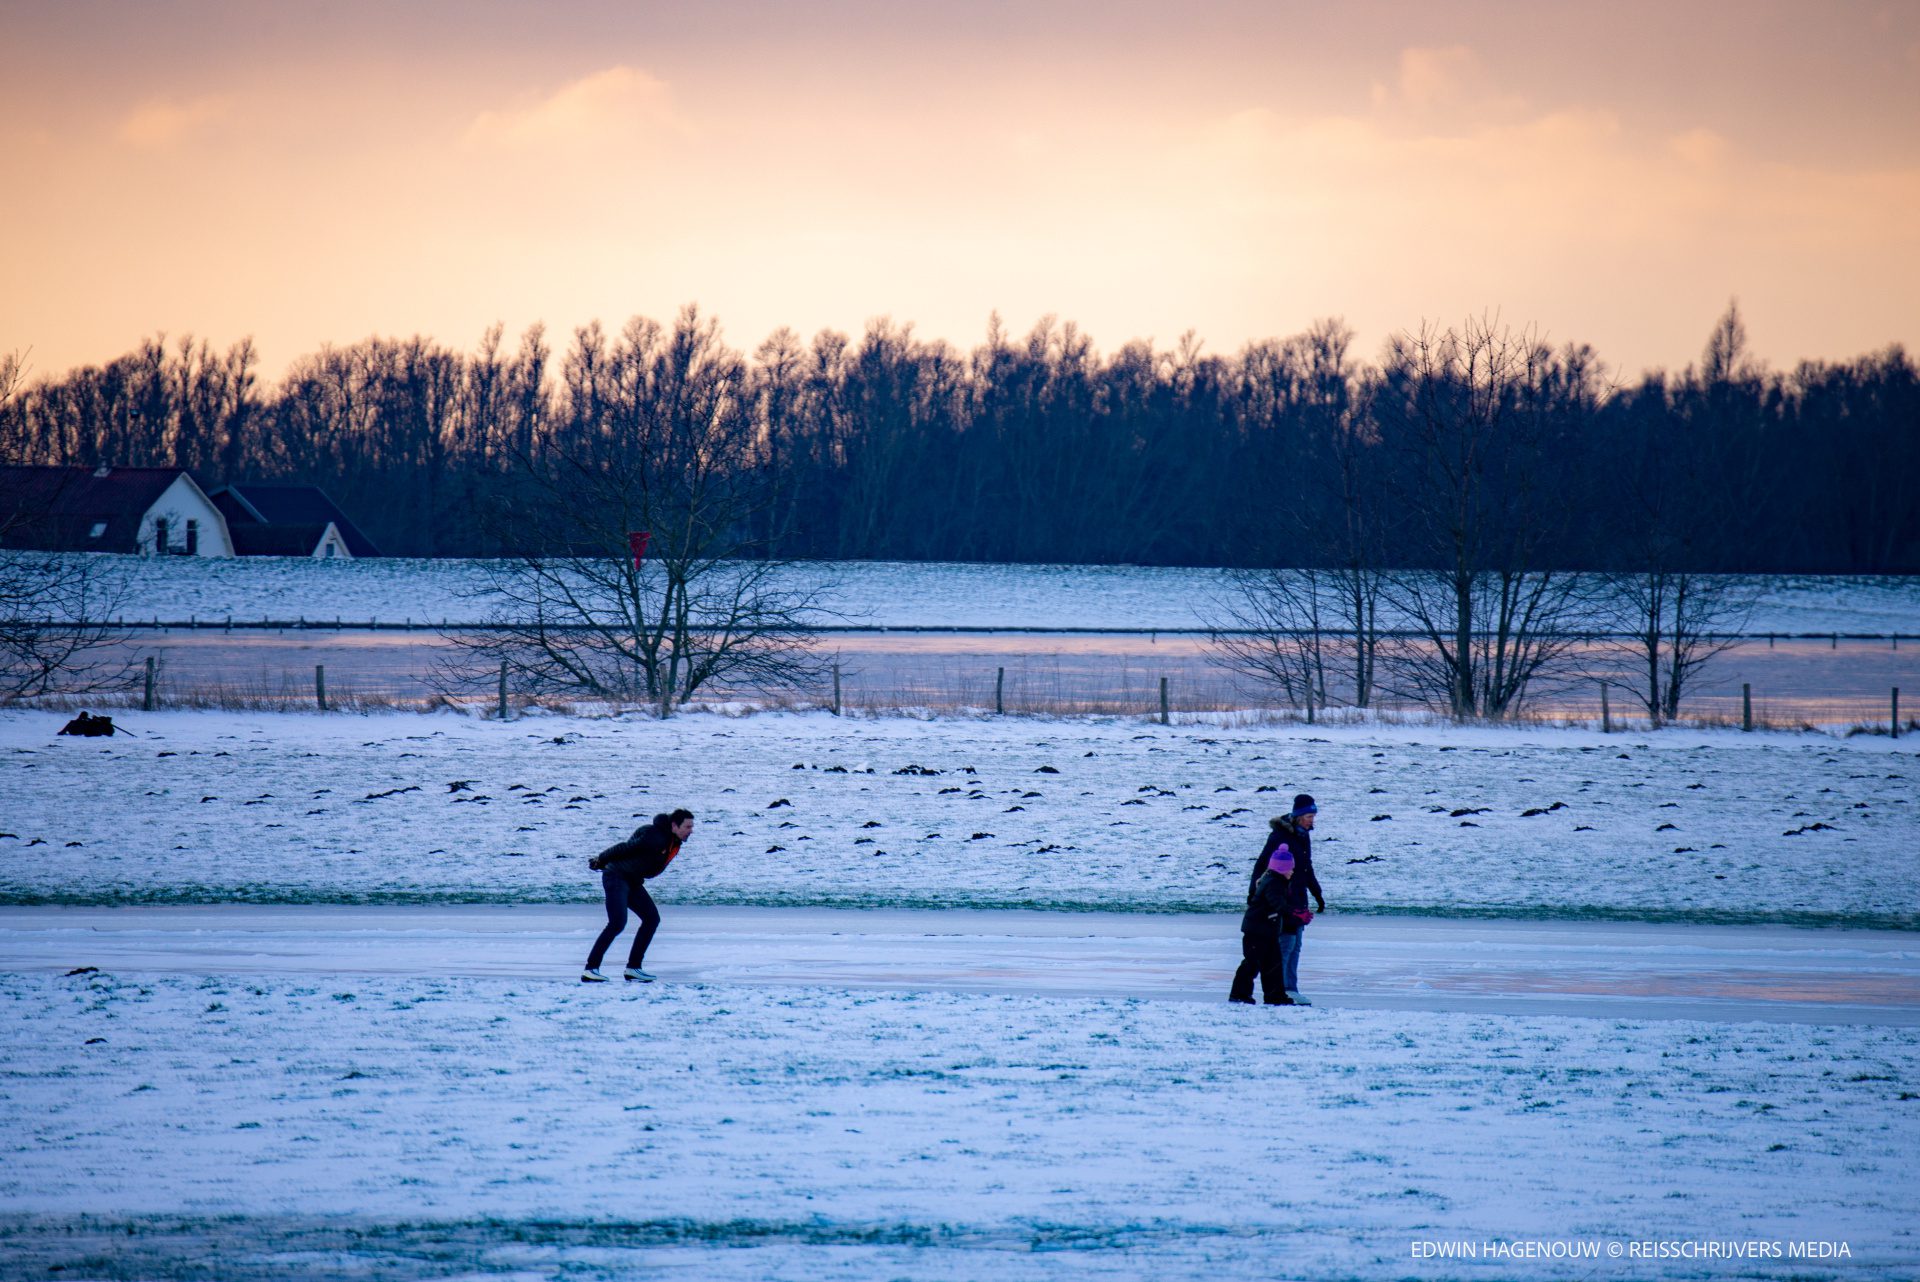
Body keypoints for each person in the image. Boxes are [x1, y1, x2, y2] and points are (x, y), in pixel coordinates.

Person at [581, 808, 694, 983]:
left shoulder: (672, 841)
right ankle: (591, 969)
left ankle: (633, 968)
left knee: (651, 919)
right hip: (617, 876)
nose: (691, 831)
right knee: (617, 923)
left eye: (691, 827)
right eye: (687, 826)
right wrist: (601, 859)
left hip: (632, 880)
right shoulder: (655, 836)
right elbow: (625, 847)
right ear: (674, 825)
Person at [1260, 794, 1326, 1004]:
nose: (1312, 820)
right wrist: (1256, 894)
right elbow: (1262, 865)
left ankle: (1291, 988)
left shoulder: (1303, 835)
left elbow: (1306, 867)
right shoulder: (1280, 836)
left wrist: (1317, 893)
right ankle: (1281, 988)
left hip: (1299, 897)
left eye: (1313, 816)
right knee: (1286, 944)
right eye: (1308, 816)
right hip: (1284, 898)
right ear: (1298, 816)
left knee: (1296, 943)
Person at [1229, 843, 1296, 1005]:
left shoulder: (1274, 880)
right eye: (1290, 869)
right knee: (1252, 963)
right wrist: (1294, 913)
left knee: (1273, 964)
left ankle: (1275, 996)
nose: (1292, 872)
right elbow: (1276, 902)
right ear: (1282, 869)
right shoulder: (1273, 882)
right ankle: (1239, 994)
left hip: (1267, 931)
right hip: (1256, 931)